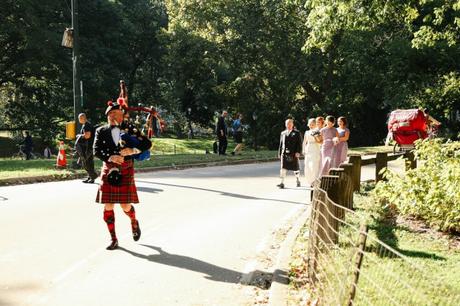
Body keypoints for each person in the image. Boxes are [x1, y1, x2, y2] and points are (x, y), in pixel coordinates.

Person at [93, 101, 152, 250]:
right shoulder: (101, 130)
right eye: (111, 114)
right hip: (109, 167)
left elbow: (147, 144)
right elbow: (96, 150)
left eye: (117, 114)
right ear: (107, 116)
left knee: (125, 205)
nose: (113, 116)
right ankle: (113, 239)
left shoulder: (130, 128)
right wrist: (110, 157)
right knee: (108, 205)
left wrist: (133, 151)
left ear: (122, 116)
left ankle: (133, 221)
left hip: (126, 167)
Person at [278, 119, 302, 189]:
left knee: (295, 168)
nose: (289, 125)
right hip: (284, 153)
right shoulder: (283, 133)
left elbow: (299, 144)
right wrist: (279, 153)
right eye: (287, 124)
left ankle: (297, 180)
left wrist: (298, 152)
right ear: (285, 125)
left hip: (293, 153)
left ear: (292, 124)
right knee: (283, 168)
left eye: (290, 124)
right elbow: (281, 144)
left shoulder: (297, 133)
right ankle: (282, 182)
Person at [76, 113, 98, 183]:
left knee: (87, 162)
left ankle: (93, 176)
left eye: (79, 118)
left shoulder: (86, 125)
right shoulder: (86, 124)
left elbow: (87, 136)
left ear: (83, 118)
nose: (79, 120)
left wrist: (79, 135)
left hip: (88, 147)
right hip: (88, 146)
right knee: (88, 162)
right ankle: (90, 177)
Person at [303, 118, 321, 187]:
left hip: (315, 148)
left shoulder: (317, 131)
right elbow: (304, 142)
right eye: (310, 124)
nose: (311, 126)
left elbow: (319, 141)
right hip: (308, 149)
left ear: (315, 124)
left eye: (312, 124)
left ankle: (315, 180)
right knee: (307, 166)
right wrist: (303, 150)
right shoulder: (307, 132)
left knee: (314, 166)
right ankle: (310, 181)